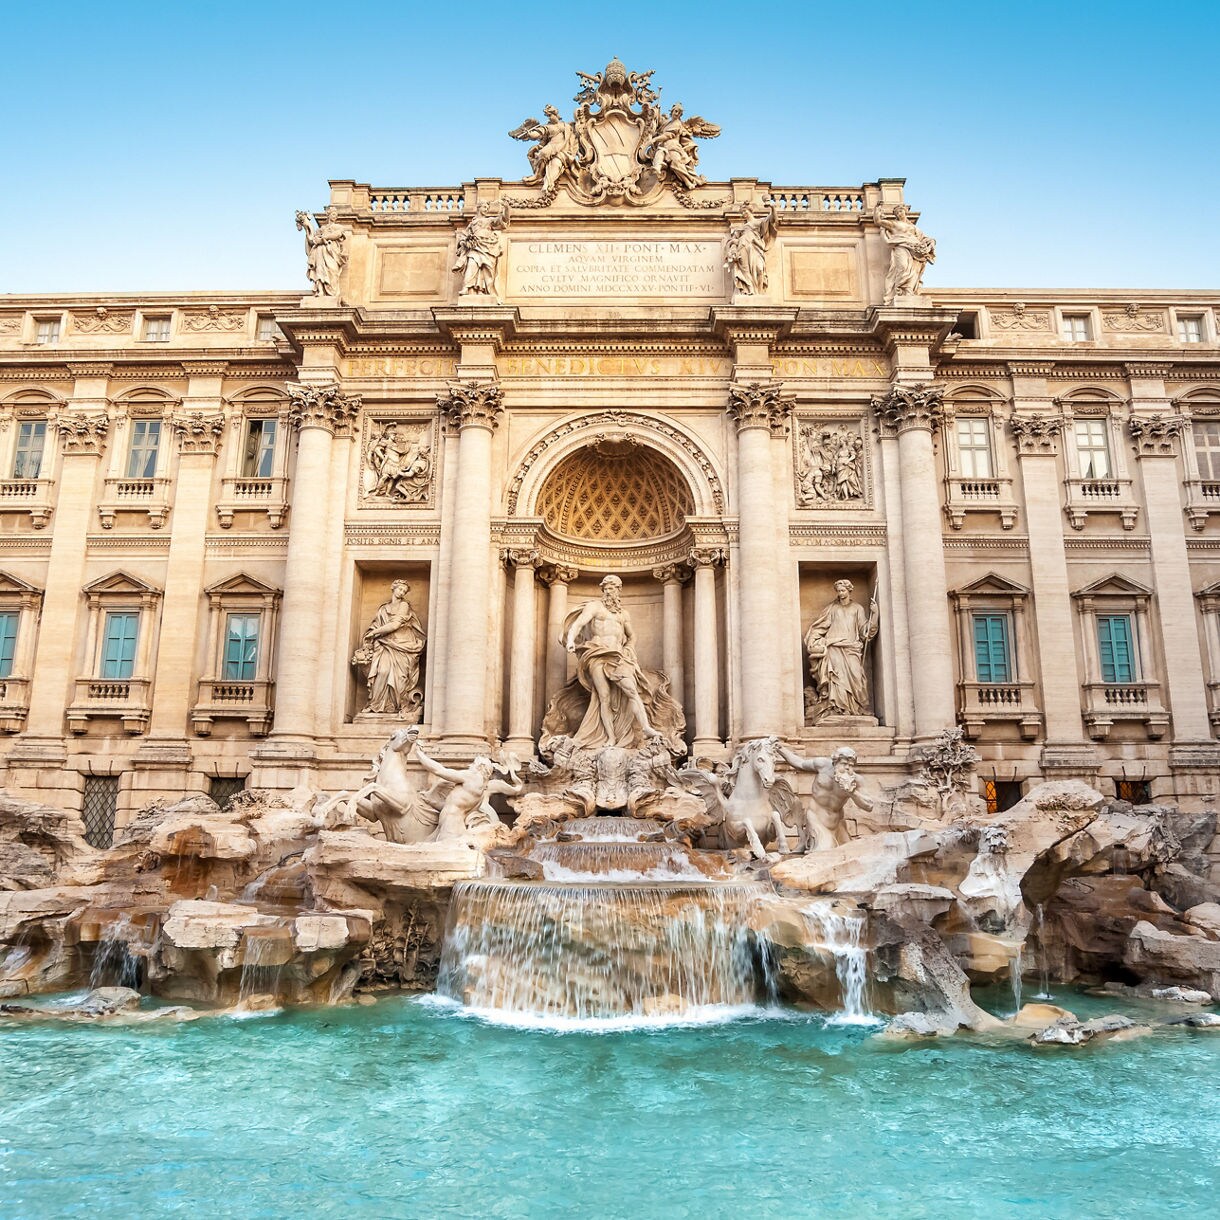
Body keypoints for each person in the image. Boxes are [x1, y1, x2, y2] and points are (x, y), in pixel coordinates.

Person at [563, 575, 659, 749]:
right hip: (597, 654)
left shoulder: (623, 614)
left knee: (631, 690)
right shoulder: (595, 607)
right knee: (604, 697)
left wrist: (629, 649)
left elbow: (632, 636)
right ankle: (611, 738)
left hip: (617, 656)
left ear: (618, 590)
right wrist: (570, 640)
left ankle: (645, 727)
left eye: (612, 588)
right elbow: (578, 624)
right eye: (606, 588)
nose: (608, 591)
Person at [412, 739, 524, 840]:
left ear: (480, 767)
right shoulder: (480, 789)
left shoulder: (472, 777)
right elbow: (455, 804)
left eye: (474, 763)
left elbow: (440, 771)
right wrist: (431, 802)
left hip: (451, 826)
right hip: (450, 824)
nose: (471, 766)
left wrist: (419, 754)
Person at [777, 743, 873, 850]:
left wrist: (852, 792)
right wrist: (780, 749)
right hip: (816, 819)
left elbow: (869, 806)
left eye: (851, 765)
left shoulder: (856, 780)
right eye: (844, 763)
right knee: (824, 851)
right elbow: (800, 763)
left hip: (837, 824)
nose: (847, 768)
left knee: (850, 851)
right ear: (835, 762)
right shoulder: (822, 765)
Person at [804, 579, 879, 718]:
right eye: (838, 591)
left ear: (849, 590)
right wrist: (816, 640)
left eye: (843, 590)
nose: (840, 593)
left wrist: (874, 614)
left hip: (851, 648)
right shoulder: (831, 609)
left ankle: (856, 708)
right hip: (834, 648)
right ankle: (836, 709)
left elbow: (865, 631)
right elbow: (819, 627)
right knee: (836, 679)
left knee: (857, 677)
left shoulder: (857, 608)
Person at [358, 580, 426, 715]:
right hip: (384, 644)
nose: (401, 593)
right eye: (400, 589)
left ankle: (395, 706)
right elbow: (376, 625)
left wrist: (374, 633)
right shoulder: (383, 608)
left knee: (399, 678)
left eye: (404, 591)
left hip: (402, 645)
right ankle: (376, 705)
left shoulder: (404, 605)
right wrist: (372, 634)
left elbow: (395, 625)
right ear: (393, 588)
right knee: (382, 672)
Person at [874, 203, 936, 303]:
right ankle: (899, 290)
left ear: (905, 212)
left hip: (916, 250)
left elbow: (923, 238)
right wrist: (877, 209)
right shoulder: (894, 224)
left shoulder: (914, 228)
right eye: (897, 212)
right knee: (902, 267)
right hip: (901, 246)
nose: (899, 213)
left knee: (914, 271)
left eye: (901, 211)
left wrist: (932, 241)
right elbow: (878, 221)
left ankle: (908, 291)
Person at [453, 200, 510, 297]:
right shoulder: (472, 224)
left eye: (487, 208)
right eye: (484, 207)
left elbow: (503, 219)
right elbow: (464, 236)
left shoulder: (489, 220)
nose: (486, 210)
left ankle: (483, 289)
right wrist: (464, 242)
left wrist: (506, 208)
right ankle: (467, 288)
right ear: (478, 208)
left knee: (486, 269)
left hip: (487, 248)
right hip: (475, 247)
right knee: (471, 265)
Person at [725, 201, 779, 297]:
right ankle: (749, 290)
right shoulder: (741, 228)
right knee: (745, 272)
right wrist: (733, 246)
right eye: (742, 212)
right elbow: (732, 241)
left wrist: (773, 207)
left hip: (755, 249)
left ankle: (758, 292)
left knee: (759, 269)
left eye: (744, 211)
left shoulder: (759, 222)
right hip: (743, 249)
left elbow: (773, 220)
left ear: (750, 211)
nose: (743, 214)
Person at [296, 206, 347, 299]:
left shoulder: (339, 227)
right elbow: (312, 240)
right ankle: (320, 291)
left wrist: (324, 238)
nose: (335, 216)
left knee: (332, 271)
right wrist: (307, 227)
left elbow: (338, 234)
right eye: (333, 214)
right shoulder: (321, 229)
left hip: (331, 252)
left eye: (336, 215)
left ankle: (331, 292)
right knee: (319, 270)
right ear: (328, 215)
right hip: (320, 251)